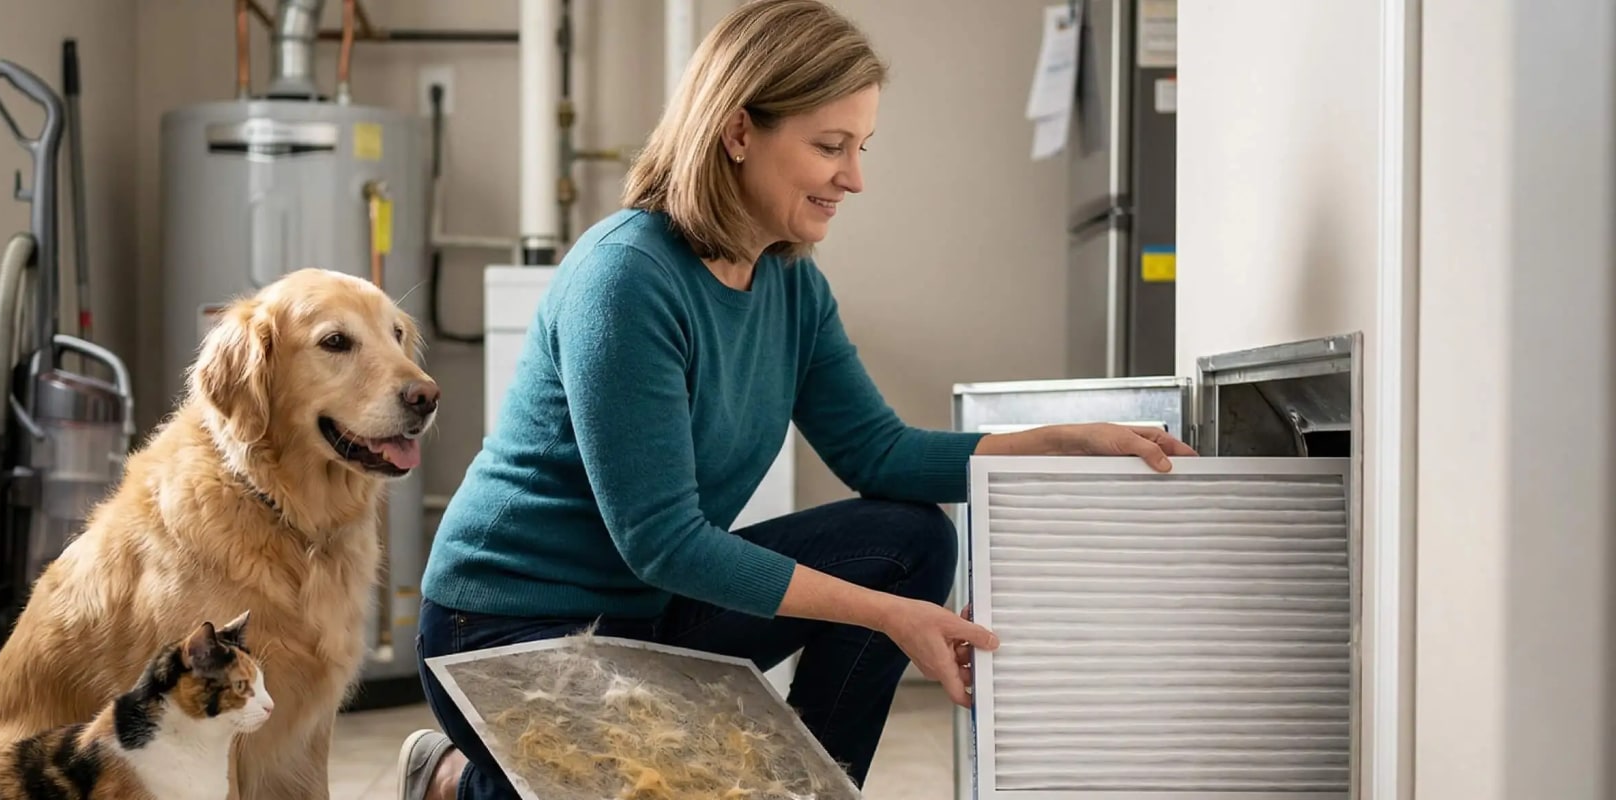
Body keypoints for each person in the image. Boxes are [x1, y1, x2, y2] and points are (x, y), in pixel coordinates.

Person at [395, 2, 1195, 798]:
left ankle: (813, 791)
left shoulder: (791, 284)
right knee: (661, 785)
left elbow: (878, 453)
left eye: (860, 147)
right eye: (829, 146)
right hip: (505, 628)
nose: (854, 177)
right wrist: (886, 615)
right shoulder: (626, 277)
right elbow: (664, 543)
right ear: (739, 132)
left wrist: (1063, 443)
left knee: (909, 540)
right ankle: (455, 781)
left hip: (651, 612)